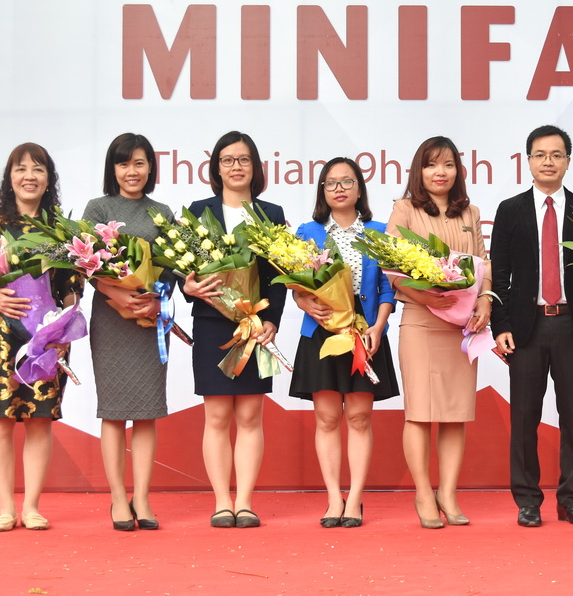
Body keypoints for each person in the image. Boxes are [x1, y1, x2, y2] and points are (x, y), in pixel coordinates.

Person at [491, 125, 573, 528]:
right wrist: (500, 324)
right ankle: (527, 501)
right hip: (525, 328)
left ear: (568, 161)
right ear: (528, 160)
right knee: (524, 419)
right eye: (540, 154)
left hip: (572, 326)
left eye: (556, 155)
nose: (548, 161)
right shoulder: (510, 210)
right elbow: (499, 274)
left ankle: (571, 499)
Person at [0, 143, 82, 531]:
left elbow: (71, 286)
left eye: (38, 169)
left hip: (46, 338)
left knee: (39, 420)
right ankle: (5, 508)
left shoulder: (61, 229)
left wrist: (64, 324)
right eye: (21, 168)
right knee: (0, 419)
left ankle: (31, 506)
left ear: (49, 179)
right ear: (9, 177)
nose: (29, 176)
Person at [181, 131, 286, 529]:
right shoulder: (198, 211)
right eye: (228, 160)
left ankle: (244, 502)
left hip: (255, 326)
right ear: (217, 168)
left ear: (255, 167)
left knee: (250, 414)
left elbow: (279, 276)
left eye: (244, 160)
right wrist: (187, 287)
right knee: (217, 415)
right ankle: (222, 502)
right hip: (212, 324)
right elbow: (180, 268)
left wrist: (271, 320)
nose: (236, 167)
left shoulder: (271, 213)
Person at [387, 136, 492, 529]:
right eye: (431, 165)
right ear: (420, 171)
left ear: (458, 171)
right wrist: (425, 296)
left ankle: (447, 493)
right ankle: (422, 492)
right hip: (421, 320)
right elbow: (391, 266)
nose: (440, 172)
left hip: (460, 325)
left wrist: (486, 300)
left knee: (454, 414)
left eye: (448, 164)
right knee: (419, 413)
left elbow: (483, 263)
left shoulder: (471, 213)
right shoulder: (405, 209)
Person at [290, 157, 400, 529]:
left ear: (359, 188)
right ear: (322, 190)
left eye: (347, 181)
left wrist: (379, 327)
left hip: (364, 330)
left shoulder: (379, 231)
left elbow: (388, 288)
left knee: (358, 417)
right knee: (326, 419)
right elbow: (296, 284)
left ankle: (354, 499)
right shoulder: (307, 232)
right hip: (321, 331)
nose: (339, 188)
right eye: (331, 182)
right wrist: (303, 301)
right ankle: (333, 498)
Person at [83, 133, 172, 531]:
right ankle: (118, 497)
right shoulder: (98, 208)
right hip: (111, 320)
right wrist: (116, 294)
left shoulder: (162, 213)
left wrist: (156, 299)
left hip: (150, 321)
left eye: (139, 163)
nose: (131, 171)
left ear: (150, 167)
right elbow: (85, 264)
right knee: (115, 411)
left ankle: (143, 497)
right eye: (123, 163)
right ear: (113, 169)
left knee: (148, 411)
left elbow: (173, 268)